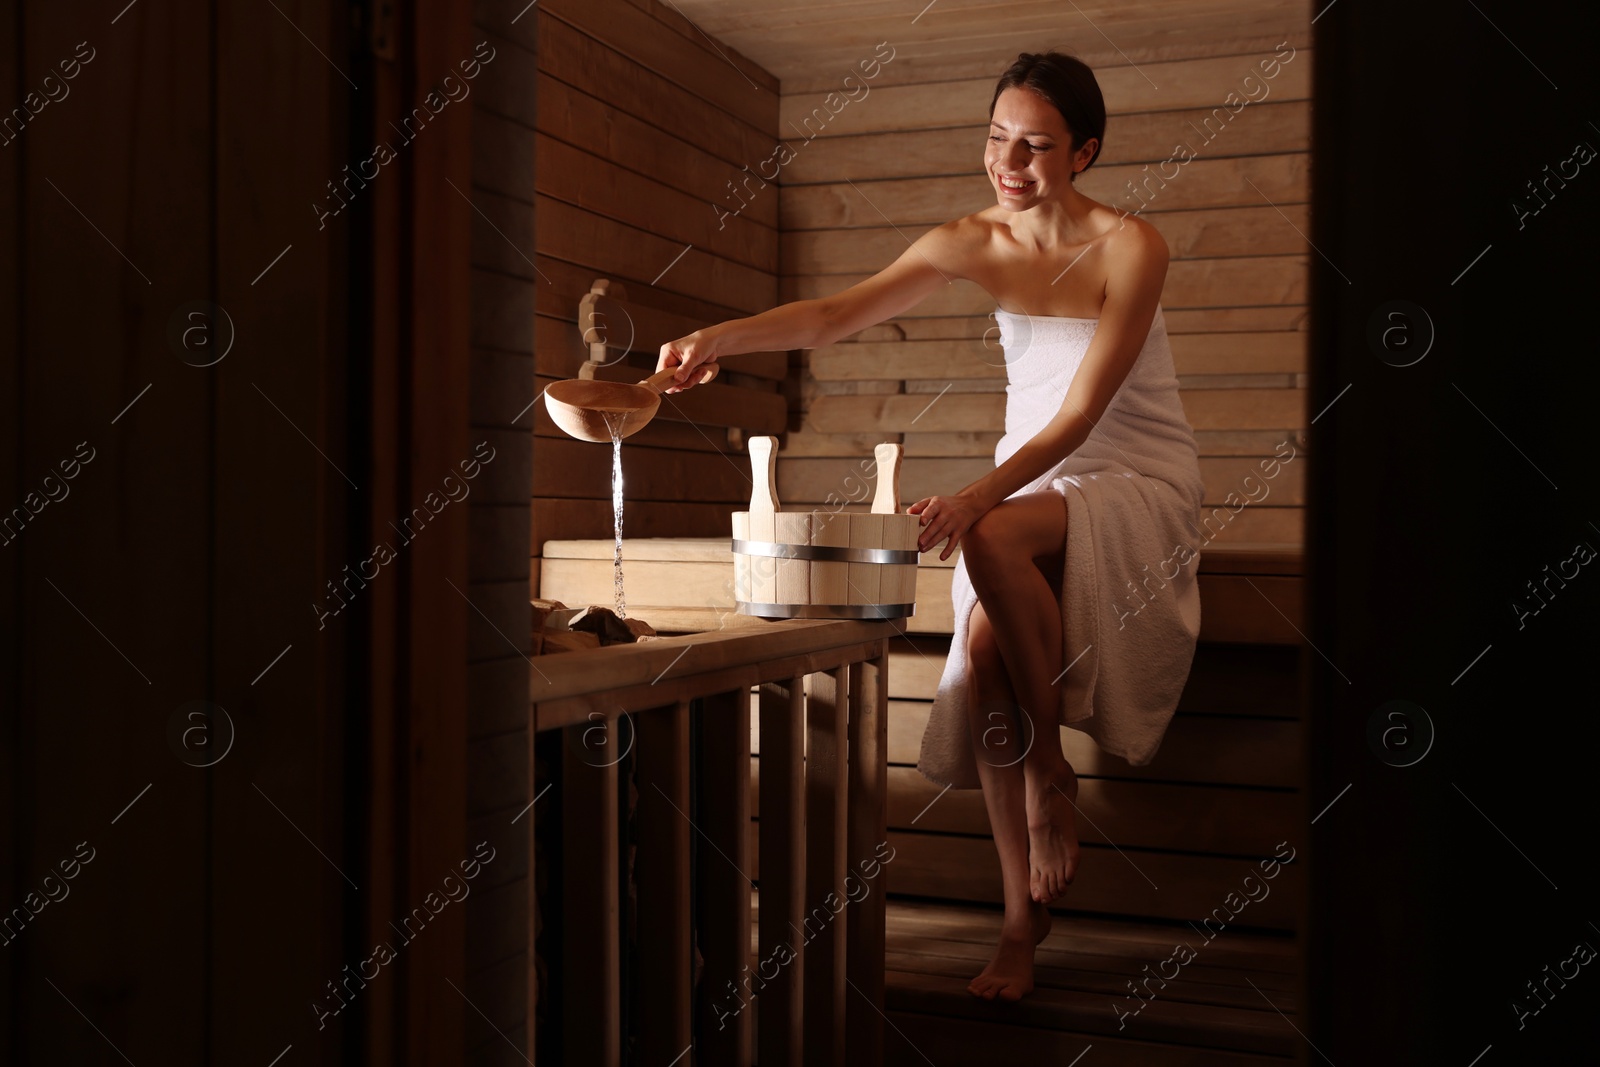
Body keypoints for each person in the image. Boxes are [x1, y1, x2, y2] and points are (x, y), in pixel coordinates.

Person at [657, 51, 1205, 1003]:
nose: (1010, 163)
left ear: (1086, 152)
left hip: (1133, 479)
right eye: (998, 138)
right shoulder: (969, 238)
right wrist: (718, 339)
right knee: (984, 651)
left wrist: (974, 498)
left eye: (1036, 146)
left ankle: (1046, 775)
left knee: (986, 538)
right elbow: (833, 316)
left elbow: (1078, 418)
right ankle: (1018, 923)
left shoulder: (1132, 247)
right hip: (1028, 488)